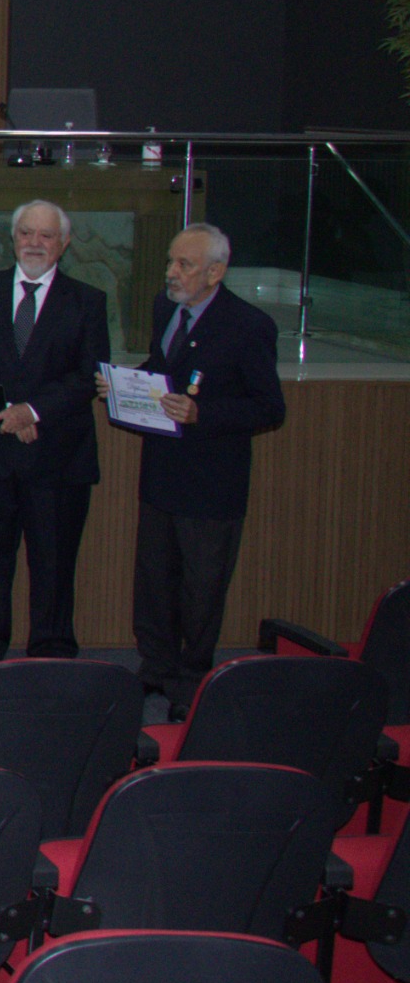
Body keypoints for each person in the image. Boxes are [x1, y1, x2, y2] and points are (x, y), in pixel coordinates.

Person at [108, 223, 285, 717]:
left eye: (183, 264)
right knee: (155, 579)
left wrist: (203, 414)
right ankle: (156, 667)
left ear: (216, 271)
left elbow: (269, 408)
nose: (170, 272)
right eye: (170, 261)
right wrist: (125, 385)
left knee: (201, 588)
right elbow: (163, 367)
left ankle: (191, 680)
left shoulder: (248, 326)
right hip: (162, 474)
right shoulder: (167, 309)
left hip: (212, 486)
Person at [0, 200, 110, 674]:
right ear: (13, 237)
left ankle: (52, 656)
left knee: (55, 563)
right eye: (26, 233)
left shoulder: (88, 301)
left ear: (64, 243)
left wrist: (32, 411)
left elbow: (88, 377)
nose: (34, 243)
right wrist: (6, 413)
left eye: (45, 235)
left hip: (59, 453)